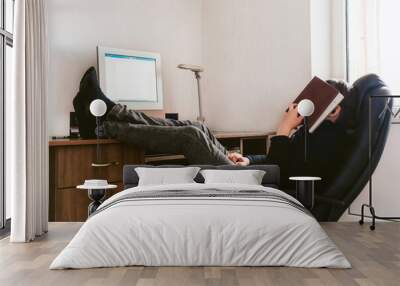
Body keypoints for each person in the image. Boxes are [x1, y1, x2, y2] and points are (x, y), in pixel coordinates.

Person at [73, 67, 233, 165]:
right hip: (242, 165)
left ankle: (104, 127)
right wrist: (248, 159)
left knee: (192, 135)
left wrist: (251, 163)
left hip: (241, 174)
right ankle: (113, 110)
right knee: (200, 126)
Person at [228, 80, 353, 188]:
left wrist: (285, 127)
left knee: (215, 156)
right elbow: (283, 159)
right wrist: (249, 160)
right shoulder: (311, 130)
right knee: (215, 151)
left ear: (334, 110)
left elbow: (277, 170)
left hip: (293, 193)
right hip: (278, 183)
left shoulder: (331, 139)